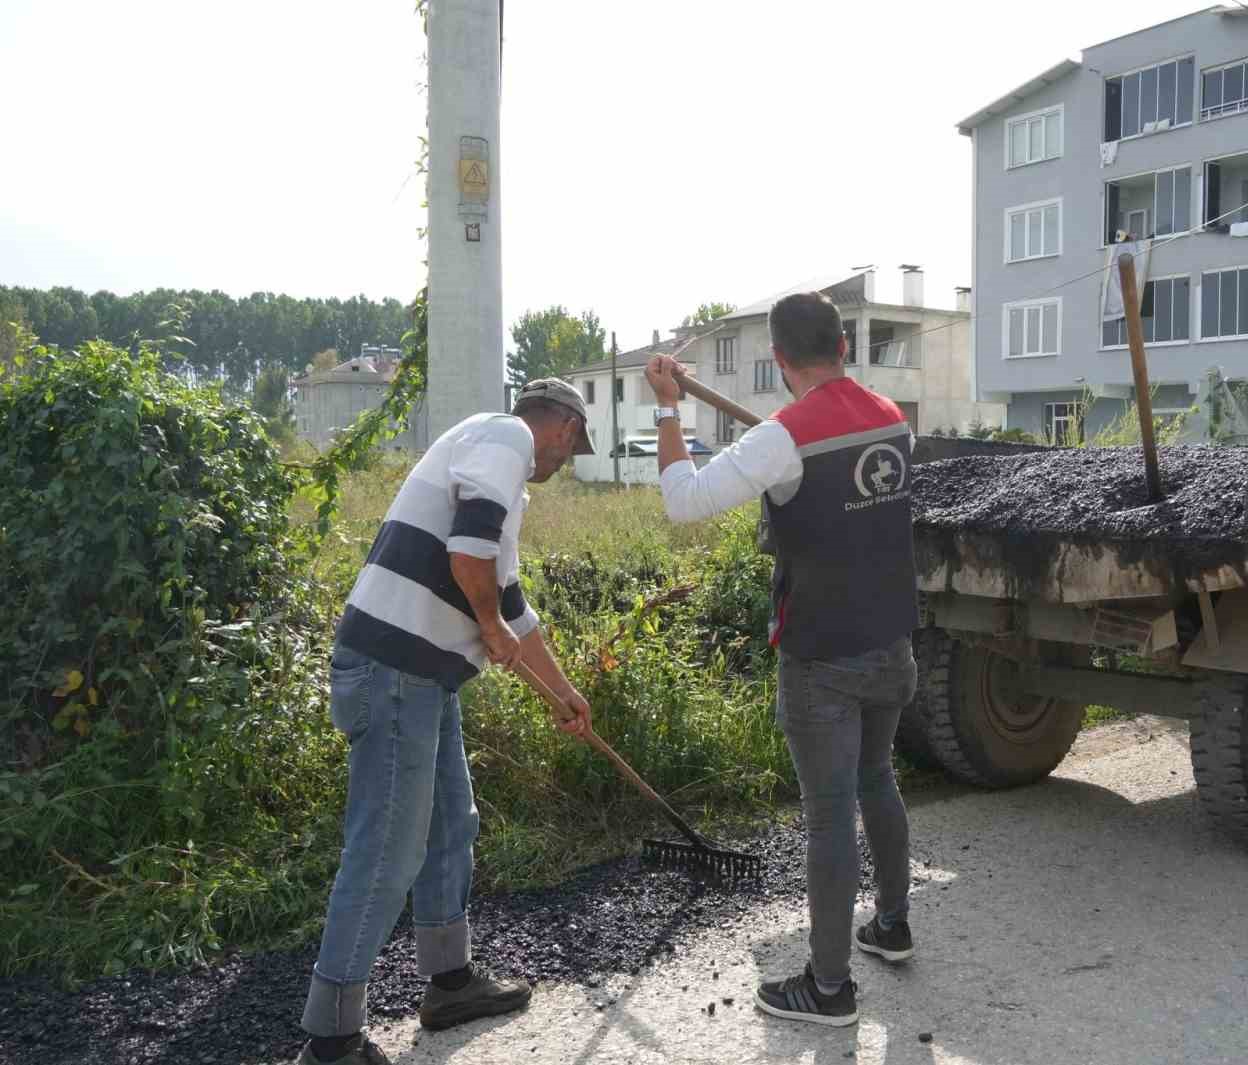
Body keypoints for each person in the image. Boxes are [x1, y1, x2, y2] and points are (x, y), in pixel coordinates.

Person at [297, 379, 596, 1065]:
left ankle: (449, 980)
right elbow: (469, 558)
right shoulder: (506, 435)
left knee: (449, 821)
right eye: (573, 444)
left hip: (423, 674)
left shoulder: (499, 477)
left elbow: (511, 606)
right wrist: (487, 624)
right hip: (395, 668)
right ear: (565, 427)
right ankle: (332, 1037)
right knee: (387, 849)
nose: (566, 459)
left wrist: (563, 692)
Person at [643, 292, 919, 1028]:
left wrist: (668, 408)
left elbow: (684, 499)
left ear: (778, 360)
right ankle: (892, 924)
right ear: (845, 348)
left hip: (822, 656)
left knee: (830, 816)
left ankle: (829, 988)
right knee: (877, 779)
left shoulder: (783, 435)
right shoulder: (894, 418)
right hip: (893, 644)